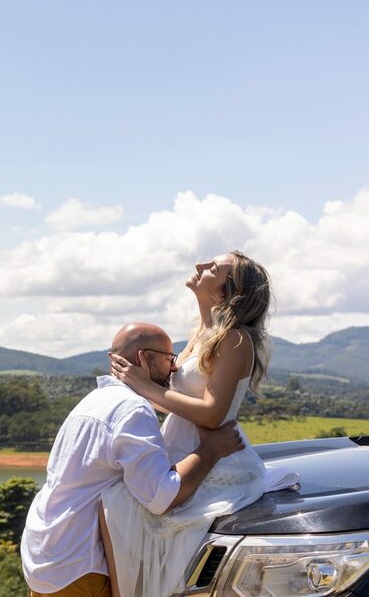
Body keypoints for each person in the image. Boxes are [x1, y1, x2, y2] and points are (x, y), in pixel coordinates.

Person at [103, 251, 298, 597]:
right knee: (113, 502)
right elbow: (174, 402)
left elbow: (212, 414)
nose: (199, 267)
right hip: (179, 452)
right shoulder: (199, 333)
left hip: (215, 463)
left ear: (226, 293)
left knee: (121, 507)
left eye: (213, 268)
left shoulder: (235, 339)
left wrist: (145, 385)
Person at [21, 322, 246, 597]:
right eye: (168, 359)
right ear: (142, 358)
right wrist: (210, 451)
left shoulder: (92, 401)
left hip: (44, 552)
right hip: (78, 565)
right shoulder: (132, 409)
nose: (174, 368)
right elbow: (161, 496)